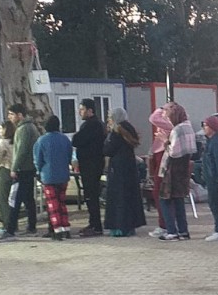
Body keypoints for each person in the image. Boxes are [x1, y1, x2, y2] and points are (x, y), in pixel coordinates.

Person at [0, 105, 40, 242]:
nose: (9, 117)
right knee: (28, 199)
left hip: (23, 169)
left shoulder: (23, 129)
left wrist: (14, 168)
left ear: (20, 115)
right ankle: (32, 226)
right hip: (29, 168)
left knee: (14, 199)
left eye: (11, 114)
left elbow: (21, 150)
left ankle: (10, 230)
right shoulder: (31, 127)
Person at [102, 108, 146, 237]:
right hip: (129, 168)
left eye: (110, 117)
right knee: (129, 197)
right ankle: (130, 226)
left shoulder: (116, 131)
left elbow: (108, 150)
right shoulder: (129, 129)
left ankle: (119, 226)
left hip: (117, 169)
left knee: (118, 198)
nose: (108, 119)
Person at [158, 103, 195, 241]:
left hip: (173, 169)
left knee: (165, 200)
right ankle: (183, 231)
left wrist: (165, 142)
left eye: (168, 113)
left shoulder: (177, 130)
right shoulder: (189, 127)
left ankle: (172, 231)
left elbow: (173, 152)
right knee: (179, 200)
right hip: (184, 168)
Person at [34, 115, 73, 240]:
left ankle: (57, 230)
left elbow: (38, 160)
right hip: (63, 175)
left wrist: (39, 171)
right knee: (62, 203)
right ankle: (66, 228)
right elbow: (69, 156)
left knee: (52, 204)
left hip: (49, 175)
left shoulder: (41, 140)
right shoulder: (65, 139)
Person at [72, 98, 106, 237]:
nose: (79, 112)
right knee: (90, 195)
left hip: (91, 164)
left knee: (91, 195)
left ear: (90, 111)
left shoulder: (91, 125)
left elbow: (77, 140)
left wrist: (76, 137)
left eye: (82, 109)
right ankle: (93, 222)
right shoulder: (96, 124)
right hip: (92, 163)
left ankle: (96, 225)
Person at [147, 105, 174, 237]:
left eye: (166, 109)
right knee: (157, 191)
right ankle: (165, 224)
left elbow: (152, 118)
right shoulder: (167, 123)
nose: (163, 111)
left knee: (159, 191)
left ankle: (165, 225)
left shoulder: (169, 123)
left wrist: (159, 108)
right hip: (158, 154)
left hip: (163, 155)